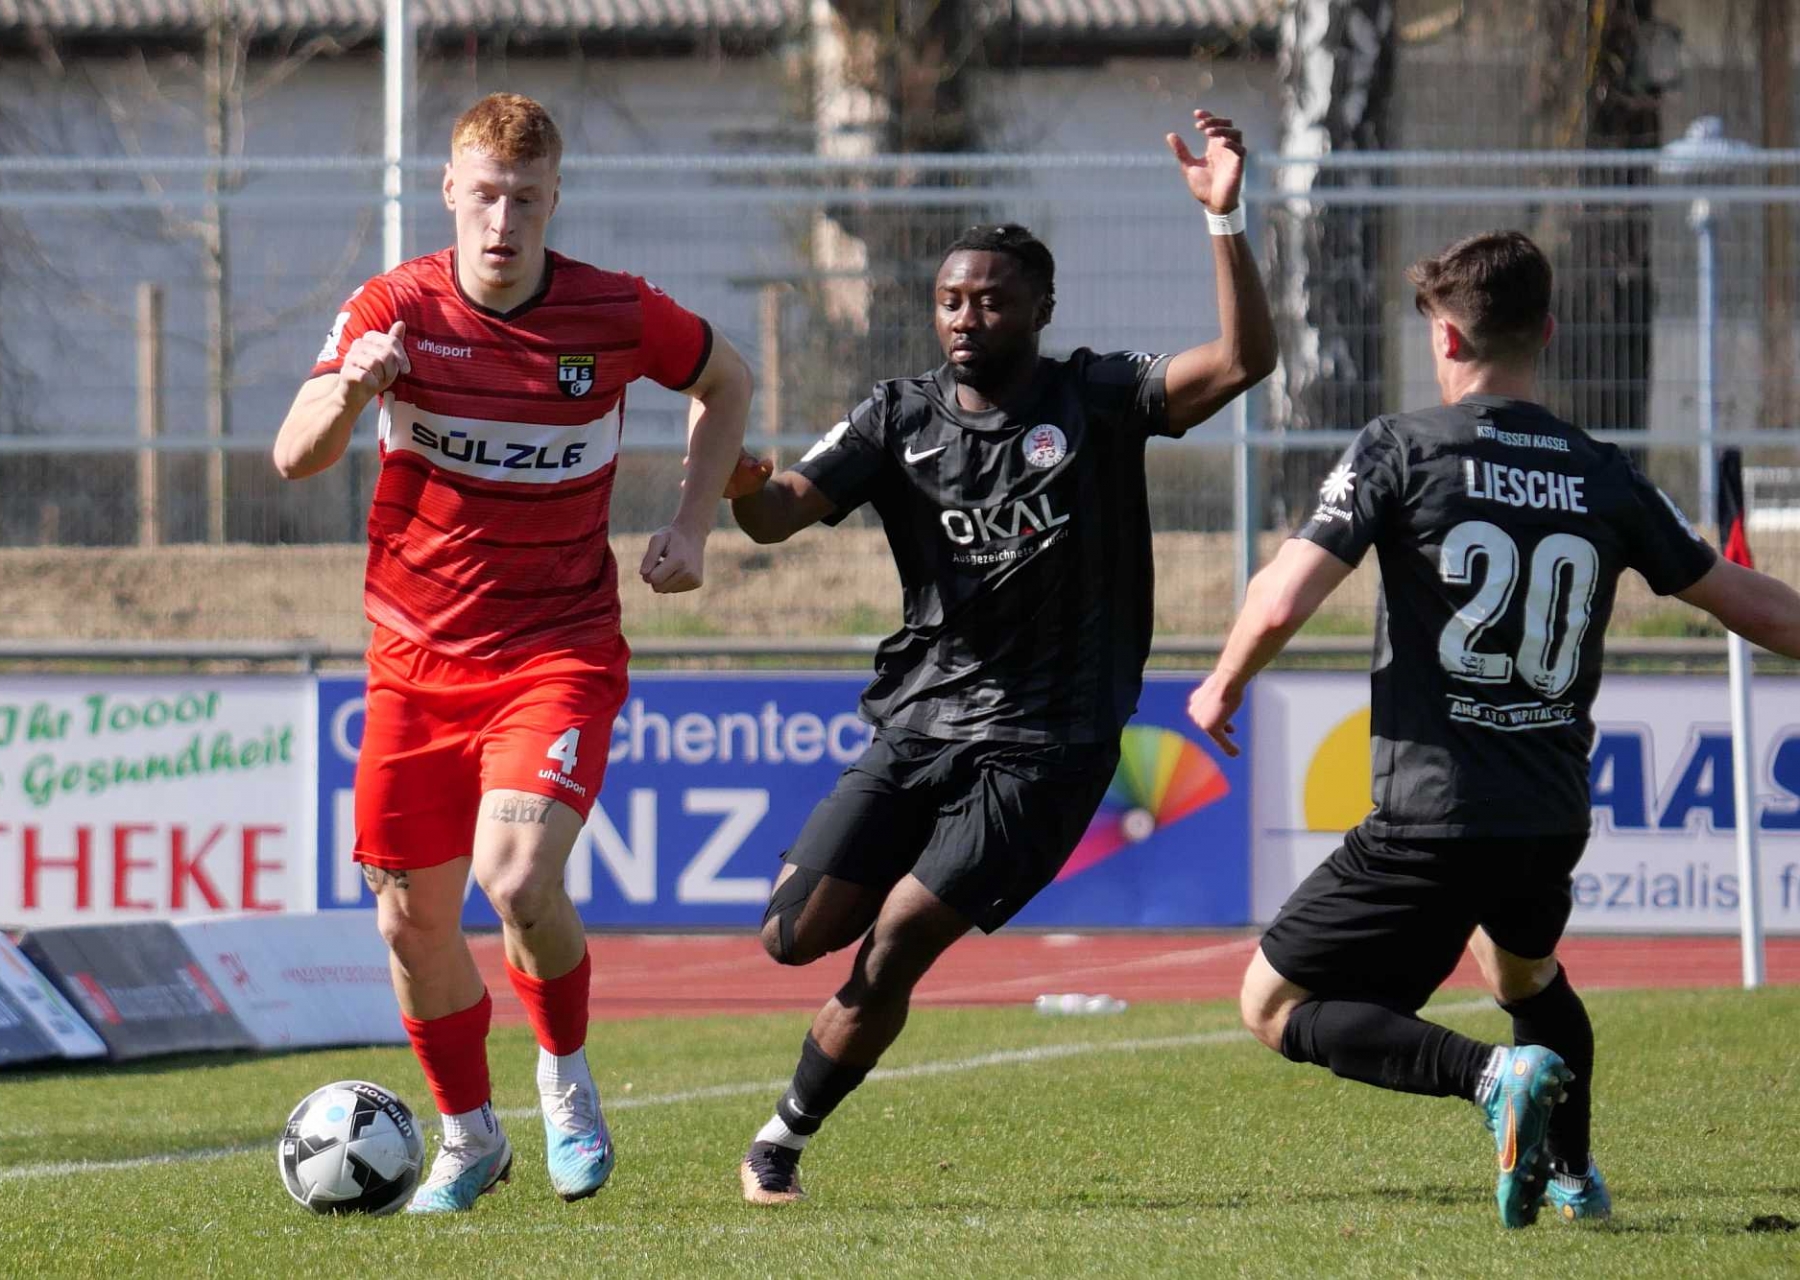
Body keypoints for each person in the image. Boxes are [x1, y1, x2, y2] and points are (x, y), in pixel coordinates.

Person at [1188, 229, 1800, 1228]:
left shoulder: (1402, 446)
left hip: (1432, 813)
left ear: (1444, 337)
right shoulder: (1603, 471)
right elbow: (1748, 601)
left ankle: (1489, 1076)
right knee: (1522, 970)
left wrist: (1223, 680)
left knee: (1271, 1003)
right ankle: (1574, 1178)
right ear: (1546, 332)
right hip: (1549, 812)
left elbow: (1285, 594)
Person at [719, 110, 1276, 1205]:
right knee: (791, 936)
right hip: (921, 721)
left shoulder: (1096, 398)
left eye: (990, 299)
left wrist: (1225, 220)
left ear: (1040, 309)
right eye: (950, 300)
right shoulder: (896, 417)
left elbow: (1245, 361)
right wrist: (740, 481)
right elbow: (778, 516)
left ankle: (779, 1141)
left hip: (1047, 745)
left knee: (898, 939)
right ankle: (836, 953)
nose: (966, 317)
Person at [273, 92, 751, 1212]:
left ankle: (566, 1086)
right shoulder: (394, 308)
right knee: (409, 922)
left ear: (553, 199)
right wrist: (353, 388)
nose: (503, 221)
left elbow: (726, 380)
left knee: (520, 875)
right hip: (413, 661)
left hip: (555, 649)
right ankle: (469, 1137)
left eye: (526, 199)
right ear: (450, 191)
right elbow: (295, 454)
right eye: (485, 195)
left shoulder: (614, 311)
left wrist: (693, 524)